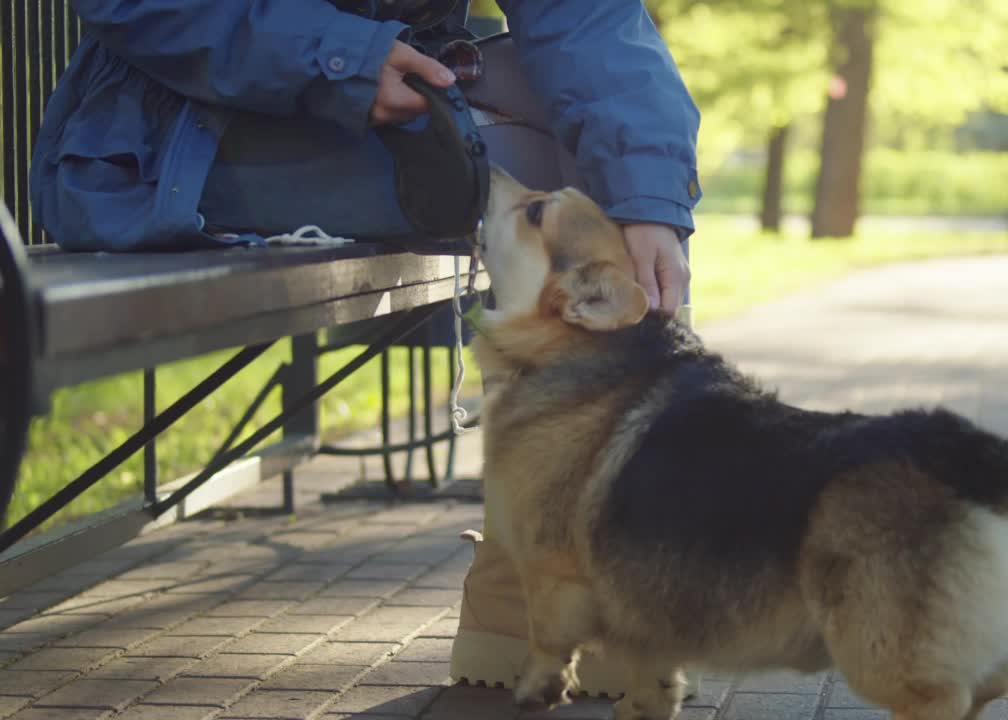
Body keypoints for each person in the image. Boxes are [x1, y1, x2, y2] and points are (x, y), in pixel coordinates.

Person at [31, 0, 699, 695]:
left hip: (406, 102)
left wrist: (651, 201)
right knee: (575, 202)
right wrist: (339, 55)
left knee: (618, 180)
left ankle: (549, 575)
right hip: (194, 134)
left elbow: (587, 19)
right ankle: (559, 579)